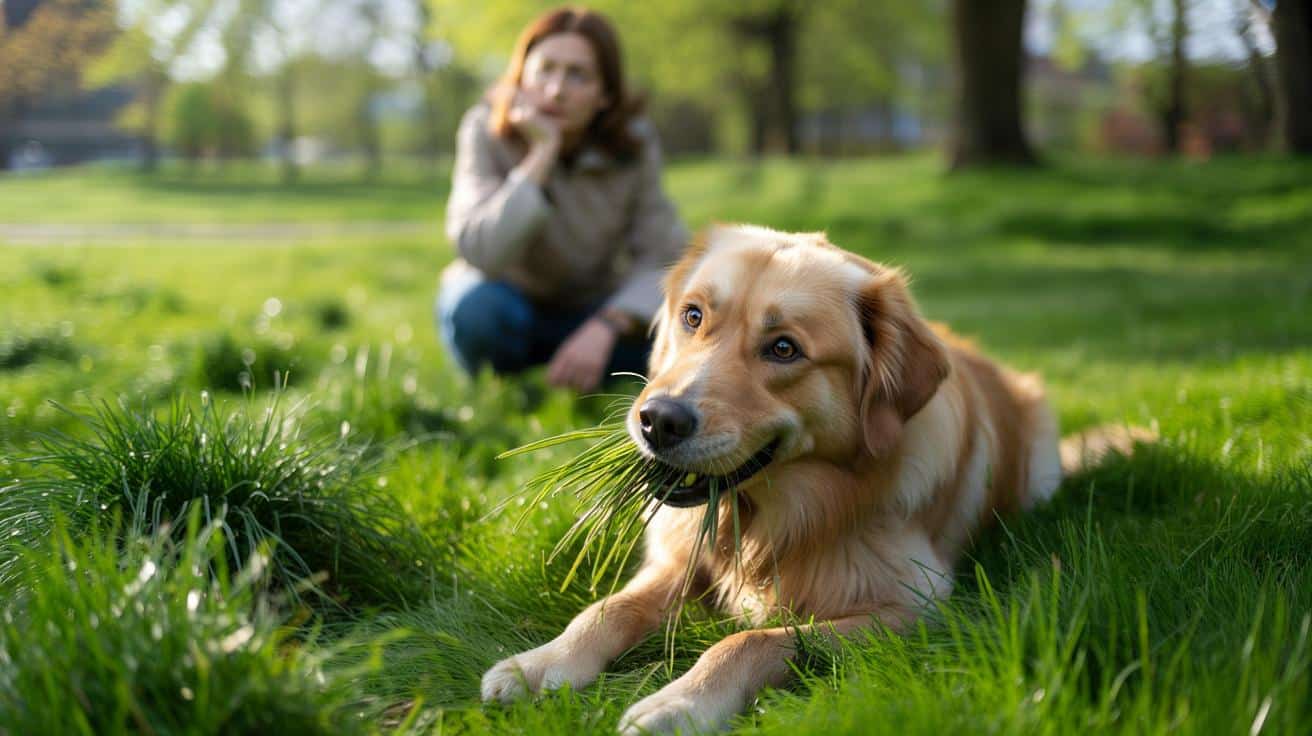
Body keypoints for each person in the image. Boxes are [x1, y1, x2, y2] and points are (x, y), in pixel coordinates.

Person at [437, 6, 688, 393]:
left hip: (592, 309)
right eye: (545, 70)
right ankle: (503, 386)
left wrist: (609, 323)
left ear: (604, 94)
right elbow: (480, 250)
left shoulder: (635, 145)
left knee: (678, 339)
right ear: (521, 77)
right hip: (505, 300)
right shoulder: (483, 130)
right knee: (477, 311)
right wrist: (541, 154)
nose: (556, 90)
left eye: (578, 74)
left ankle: (581, 366)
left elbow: (664, 256)